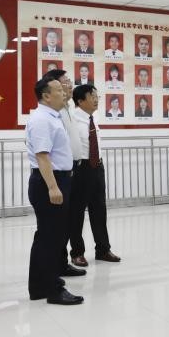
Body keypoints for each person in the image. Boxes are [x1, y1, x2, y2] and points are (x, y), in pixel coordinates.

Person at [25, 74, 82, 305]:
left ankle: (39, 287)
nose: (64, 92)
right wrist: (53, 187)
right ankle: (53, 289)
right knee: (51, 238)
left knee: (47, 237)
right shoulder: (42, 119)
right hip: (49, 181)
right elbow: (42, 156)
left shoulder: (53, 116)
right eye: (59, 89)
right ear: (46, 96)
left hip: (57, 180)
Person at [67, 83, 120, 268]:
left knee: (99, 210)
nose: (96, 100)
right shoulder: (72, 118)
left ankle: (103, 250)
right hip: (80, 168)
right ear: (80, 101)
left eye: (97, 96)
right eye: (92, 96)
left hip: (97, 167)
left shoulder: (94, 117)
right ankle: (77, 253)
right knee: (76, 213)